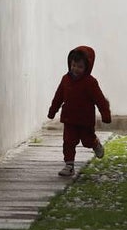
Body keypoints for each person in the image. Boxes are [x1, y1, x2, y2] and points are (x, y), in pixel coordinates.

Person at [47, 45, 112, 177]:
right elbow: (58, 97)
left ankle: (95, 143)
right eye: (73, 65)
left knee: (87, 141)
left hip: (85, 120)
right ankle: (69, 165)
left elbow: (100, 99)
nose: (75, 69)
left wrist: (105, 114)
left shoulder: (90, 82)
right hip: (69, 118)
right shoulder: (65, 80)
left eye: (80, 67)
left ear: (87, 67)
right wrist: (52, 111)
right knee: (68, 142)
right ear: (70, 64)